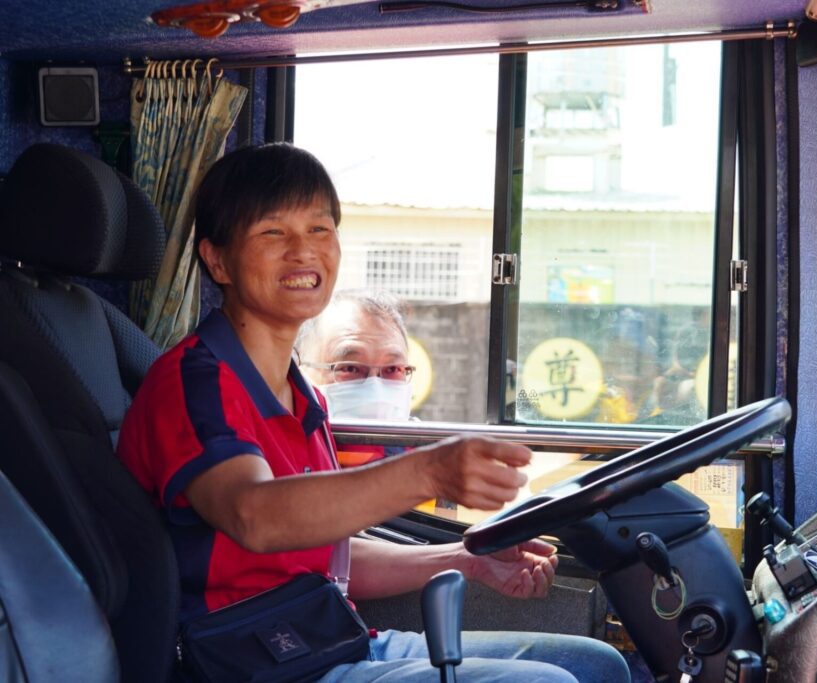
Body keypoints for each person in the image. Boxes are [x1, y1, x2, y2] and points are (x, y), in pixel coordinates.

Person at [116, 143, 629, 683]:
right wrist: (429, 468)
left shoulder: (301, 393)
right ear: (216, 258)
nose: (303, 252)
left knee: (595, 665)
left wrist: (466, 558)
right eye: (273, 232)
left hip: (325, 637)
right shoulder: (193, 382)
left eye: (319, 229)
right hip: (248, 661)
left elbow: (330, 558)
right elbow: (255, 516)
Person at [297, 289, 414, 466]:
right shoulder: (274, 459)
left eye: (392, 369)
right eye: (350, 368)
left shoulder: (426, 466)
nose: (375, 391)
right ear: (301, 372)